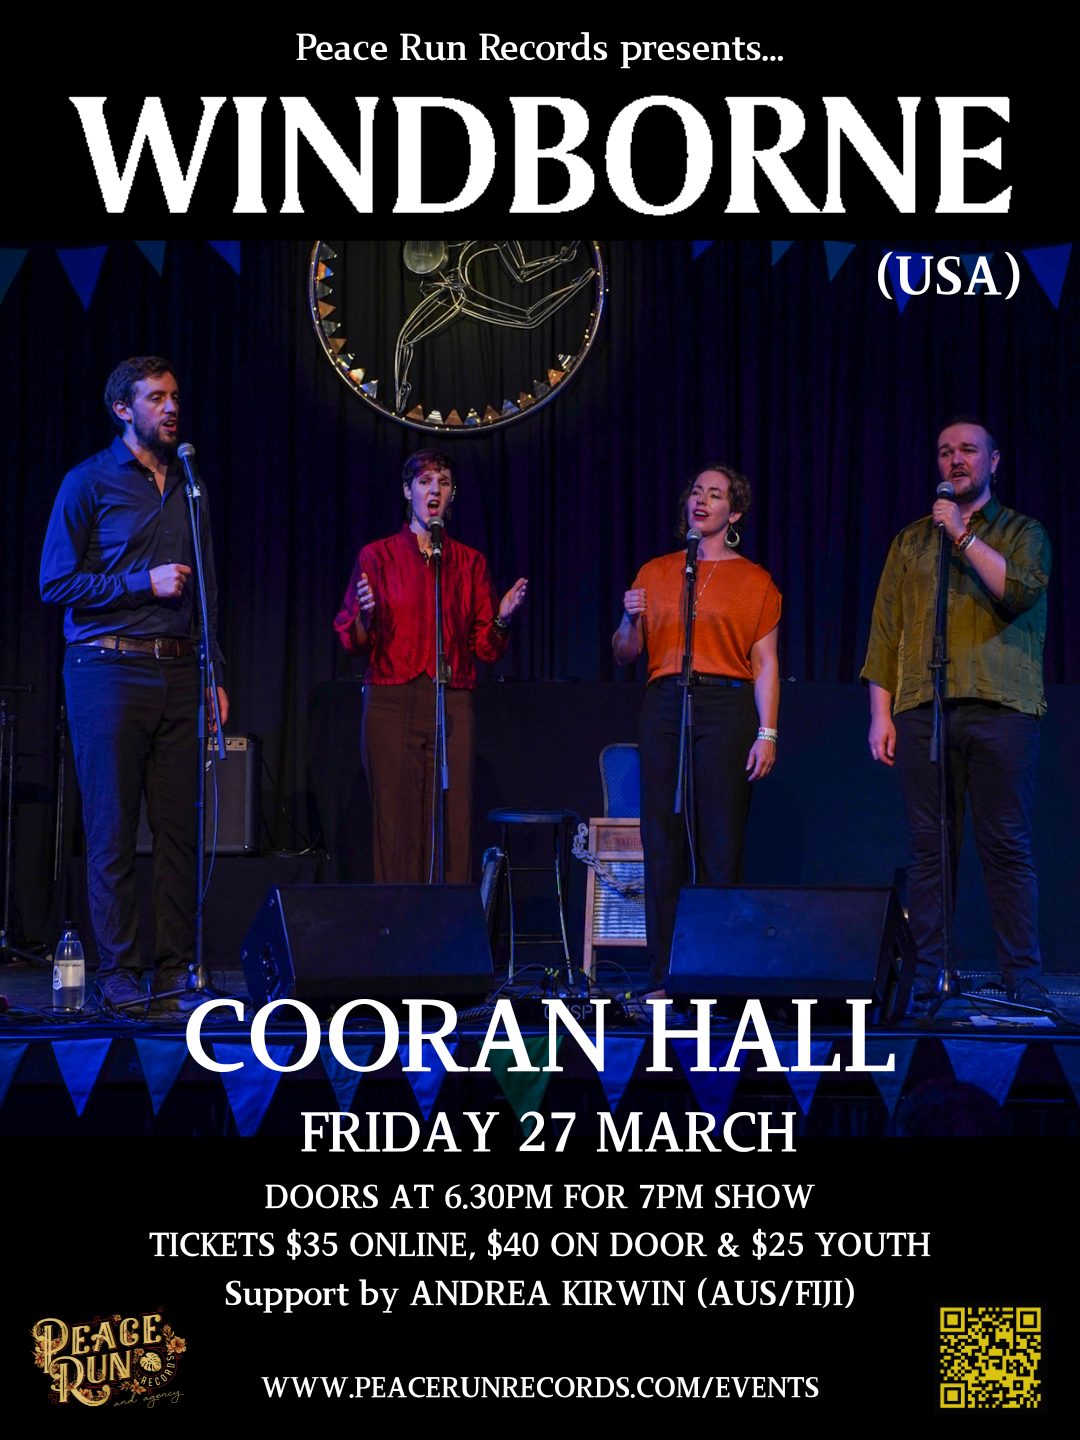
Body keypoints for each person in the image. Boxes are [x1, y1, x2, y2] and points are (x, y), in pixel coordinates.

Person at [40, 356, 228, 1017]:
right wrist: (139, 583)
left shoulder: (190, 486)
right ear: (124, 409)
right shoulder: (87, 481)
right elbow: (55, 583)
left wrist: (213, 673)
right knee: (113, 828)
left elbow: (206, 590)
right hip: (107, 668)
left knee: (179, 831)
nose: (171, 408)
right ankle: (119, 973)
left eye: (175, 396)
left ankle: (174, 973)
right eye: (155, 398)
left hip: (178, 669)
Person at [862, 417, 1051, 1006]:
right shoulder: (911, 541)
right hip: (925, 708)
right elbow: (886, 632)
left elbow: (1018, 590)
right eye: (946, 452)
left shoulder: (1022, 531)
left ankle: (1022, 976)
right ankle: (930, 974)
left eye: (969, 450)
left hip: (1002, 707)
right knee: (930, 849)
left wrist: (963, 537)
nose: (956, 460)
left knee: (1006, 845)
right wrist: (881, 713)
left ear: (993, 461)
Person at [612, 465, 781, 990]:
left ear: (734, 513)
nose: (701, 500)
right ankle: (662, 975)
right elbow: (625, 653)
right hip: (665, 701)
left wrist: (768, 733)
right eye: (696, 492)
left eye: (716, 494)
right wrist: (628, 618)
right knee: (662, 841)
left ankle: (716, 974)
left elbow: (766, 664)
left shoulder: (755, 581)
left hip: (726, 707)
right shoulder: (656, 571)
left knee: (720, 841)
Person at [335, 450, 527, 883]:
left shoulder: (469, 562)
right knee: (395, 824)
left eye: (442, 482)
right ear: (408, 492)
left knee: (453, 818)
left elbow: (485, 648)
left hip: (451, 699)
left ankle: (448, 919)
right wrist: (364, 615)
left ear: (452, 494)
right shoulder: (377, 556)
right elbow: (351, 640)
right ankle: (399, 918)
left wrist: (502, 618)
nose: (434, 490)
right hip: (391, 700)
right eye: (424, 482)